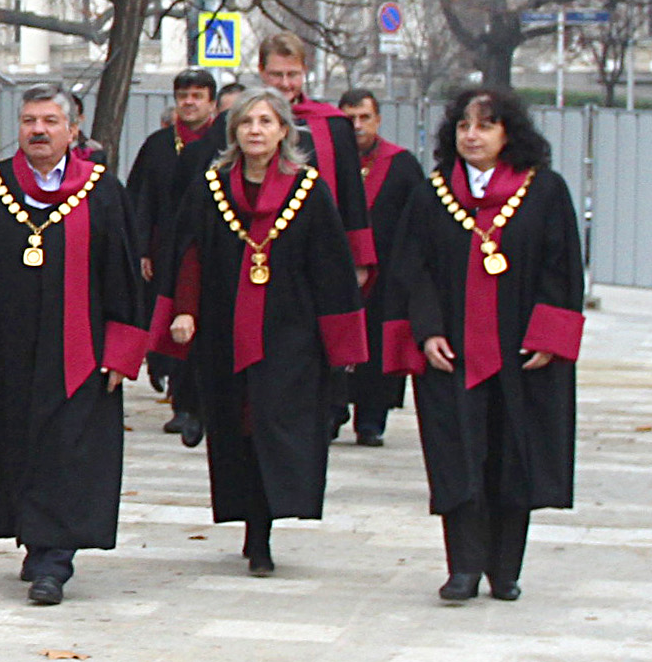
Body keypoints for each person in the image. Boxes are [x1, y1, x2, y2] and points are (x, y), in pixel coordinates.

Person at [0, 85, 148, 606]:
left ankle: (54, 560)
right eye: (29, 121)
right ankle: (35, 538)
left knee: (68, 451)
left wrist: (121, 351)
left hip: (80, 352)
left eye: (50, 121)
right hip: (5, 348)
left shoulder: (102, 191)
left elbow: (124, 276)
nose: (39, 130)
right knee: (16, 447)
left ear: (73, 130)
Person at [155, 88, 368, 576]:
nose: (256, 130)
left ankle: (267, 527)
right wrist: (184, 312)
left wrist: (341, 343)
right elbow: (189, 253)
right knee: (238, 428)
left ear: (283, 132)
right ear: (234, 131)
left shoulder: (308, 190)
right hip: (224, 332)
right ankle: (252, 524)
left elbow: (330, 268)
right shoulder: (212, 188)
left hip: (290, 334)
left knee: (275, 424)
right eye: (247, 121)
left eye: (266, 122)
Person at [385, 88, 582, 603]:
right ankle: (463, 568)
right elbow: (414, 270)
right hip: (453, 354)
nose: (472, 136)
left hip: (522, 355)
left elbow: (561, 269)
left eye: (485, 125)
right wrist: (428, 330)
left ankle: (505, 569)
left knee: (515, 456)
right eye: (463, 126)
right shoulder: (433, 194)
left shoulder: (544, 192)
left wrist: (548, 336)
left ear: (508, 133)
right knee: (457, 456)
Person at [127, 69, 225, 445]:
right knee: (173, 321)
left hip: (212, 249)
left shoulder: (224, 144)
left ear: (212, 102)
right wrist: (141, 249)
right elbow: (140, 200)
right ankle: (181, 403)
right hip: (166, 249)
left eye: (197, 95)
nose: (189, 102)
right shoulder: (158, 145)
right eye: (183, 95)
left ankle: (205, 404)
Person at [338, 87, 429, 448]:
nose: (358, 126)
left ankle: (371, 420)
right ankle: (331, 412)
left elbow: (419, 218)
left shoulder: (402, 165)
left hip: (387, 274)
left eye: (365, 118)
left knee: (378, 346)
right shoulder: (325, 161)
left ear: (378, 120)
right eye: (350, 119)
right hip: (337, 271)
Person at [253, 32, 376, 280]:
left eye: (293, 74)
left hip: (318, 248)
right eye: (277, 75)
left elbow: (351, 193)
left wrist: (359, 259)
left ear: (304, 72)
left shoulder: (333, 125)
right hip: (255, 245)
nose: (285, 84)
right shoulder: (240, 123)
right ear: (262, 72)